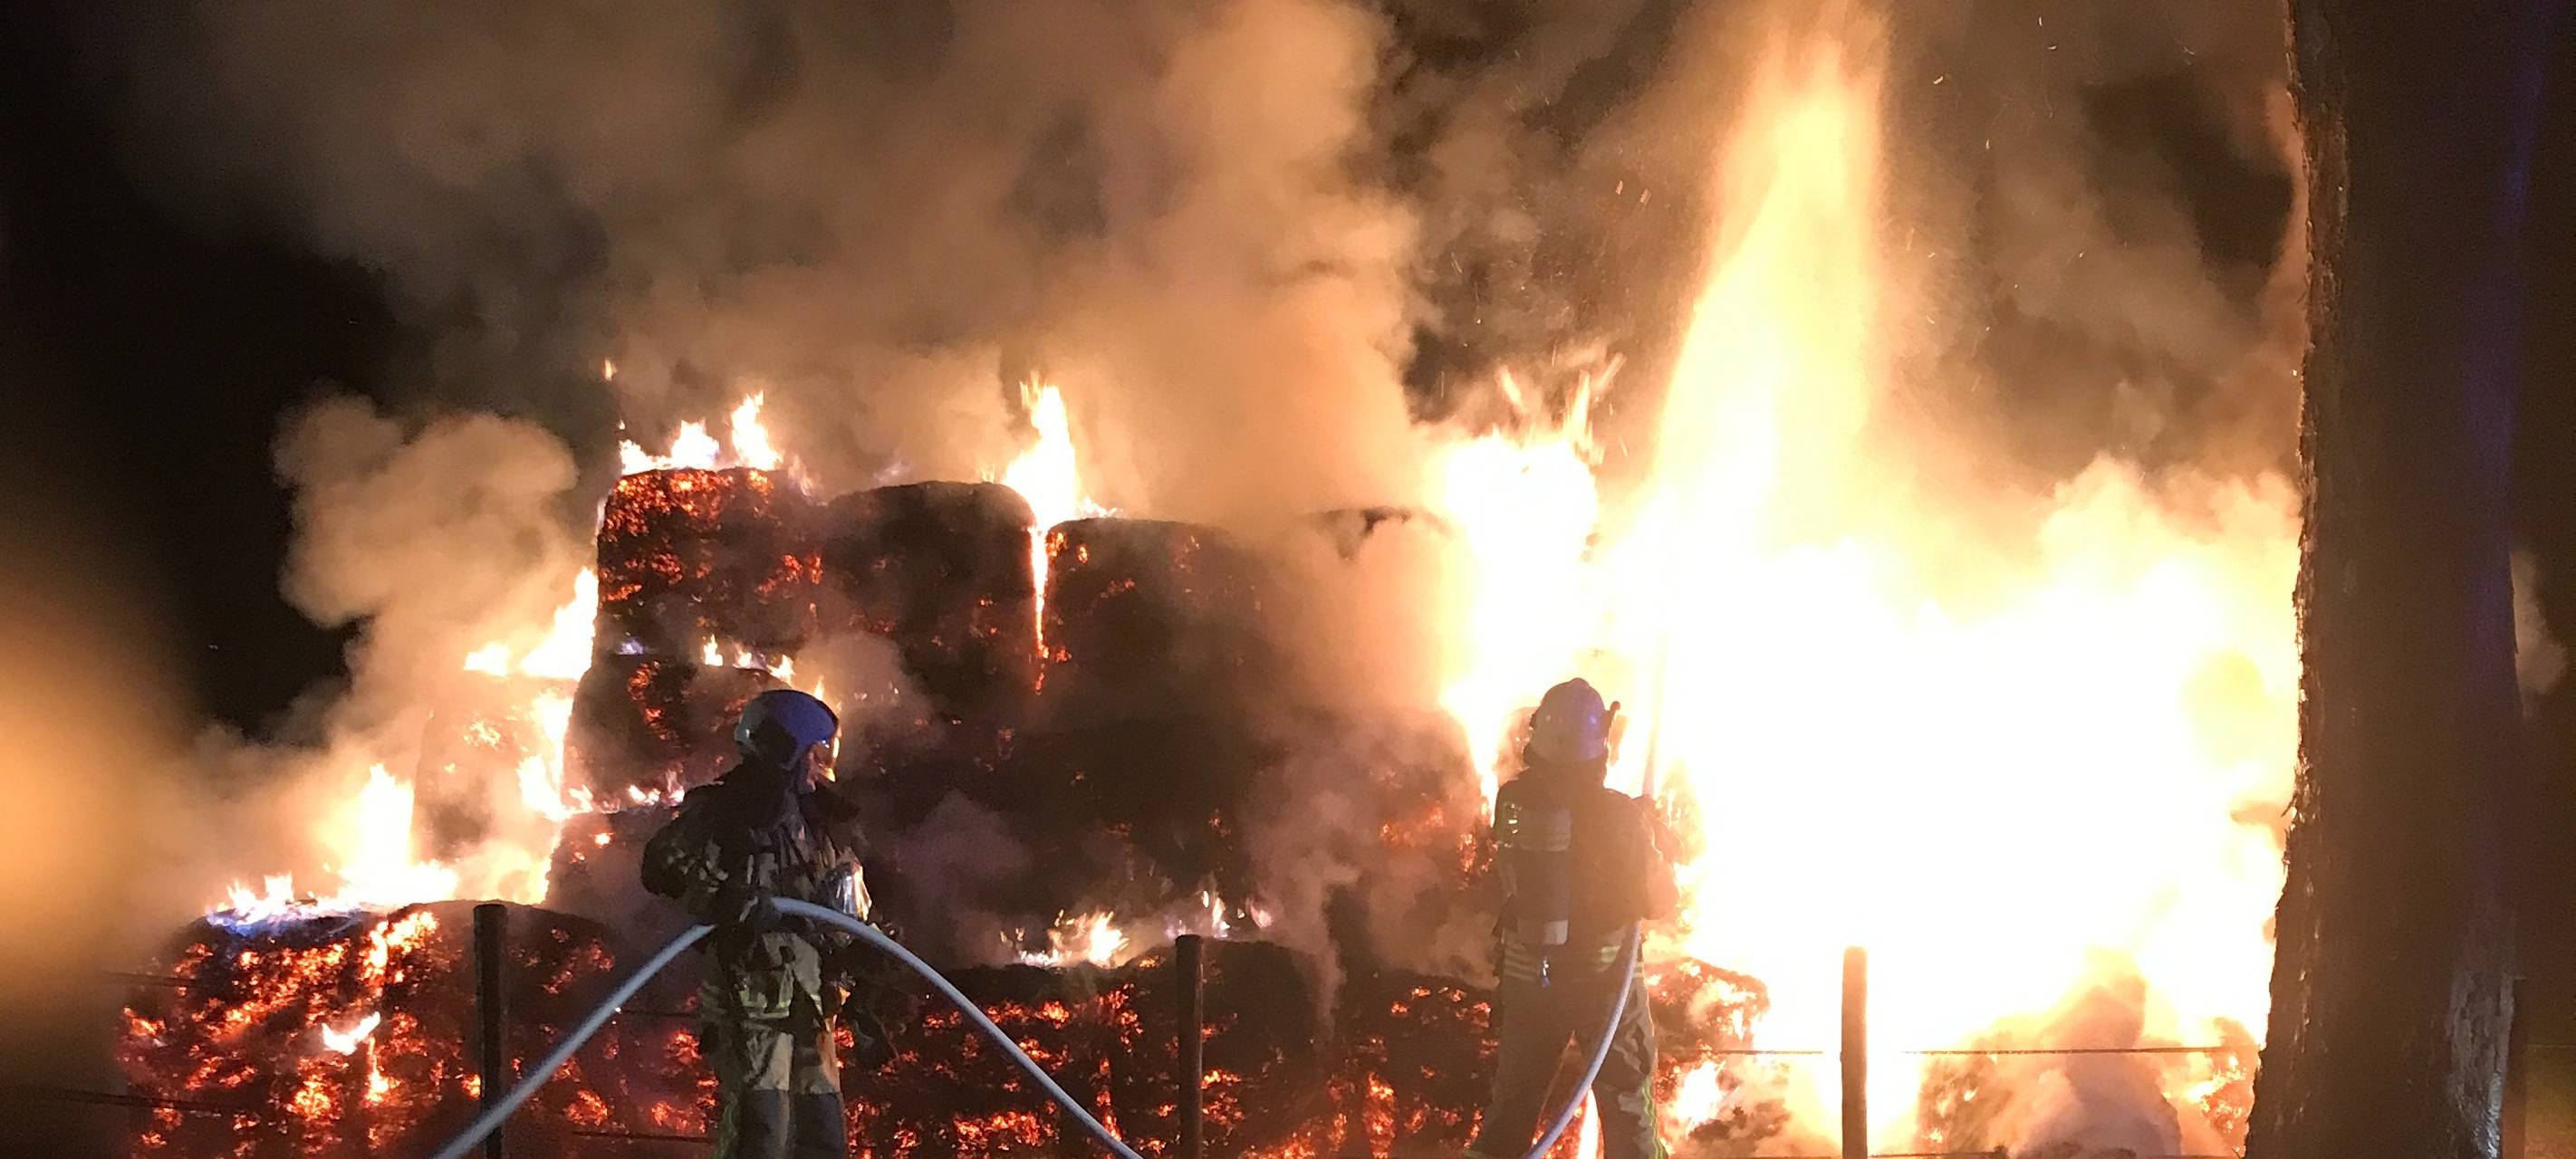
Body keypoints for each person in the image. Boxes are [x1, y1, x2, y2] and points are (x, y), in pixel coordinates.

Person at [643, 689, 875, 1159]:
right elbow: (663, 873)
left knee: (823, 1139)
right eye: (812, 751)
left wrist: (865, 955)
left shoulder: (821, 820)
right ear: (782, 749)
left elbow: (845, 905)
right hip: (751, 1004)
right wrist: (729, 884)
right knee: (761, 1135)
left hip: (811, 1006)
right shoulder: (724, 812)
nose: (819, 763)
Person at [1466, 677, 1677, 1159]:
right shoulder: (1619, 816)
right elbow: (1657, 900)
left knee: (1511, 1109)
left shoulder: (1513, 801)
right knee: (1628, 1108)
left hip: (1528, 979)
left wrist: (1631, 822)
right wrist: (1646, 836)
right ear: (1600, 745)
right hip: (1604, 985)